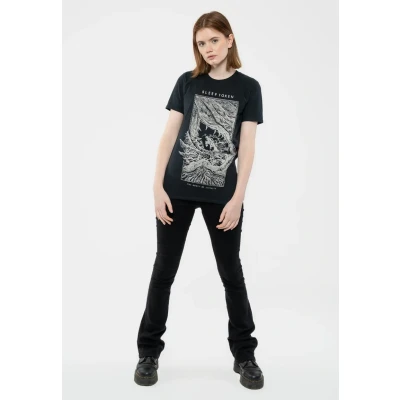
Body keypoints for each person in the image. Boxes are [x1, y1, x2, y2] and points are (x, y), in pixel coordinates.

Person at [134, 11, 264, 390]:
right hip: (175, 192)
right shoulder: (187, 82)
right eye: (201, 43)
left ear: (229, 39)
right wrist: (157, 187)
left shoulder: (248, 88)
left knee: (231, 274)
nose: (207, 49)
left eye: (213, 40)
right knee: (164, 272)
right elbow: (169, 135)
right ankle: (148, 353)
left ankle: (245, 356)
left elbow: (247, 146)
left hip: (223, 197)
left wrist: (238, 198)